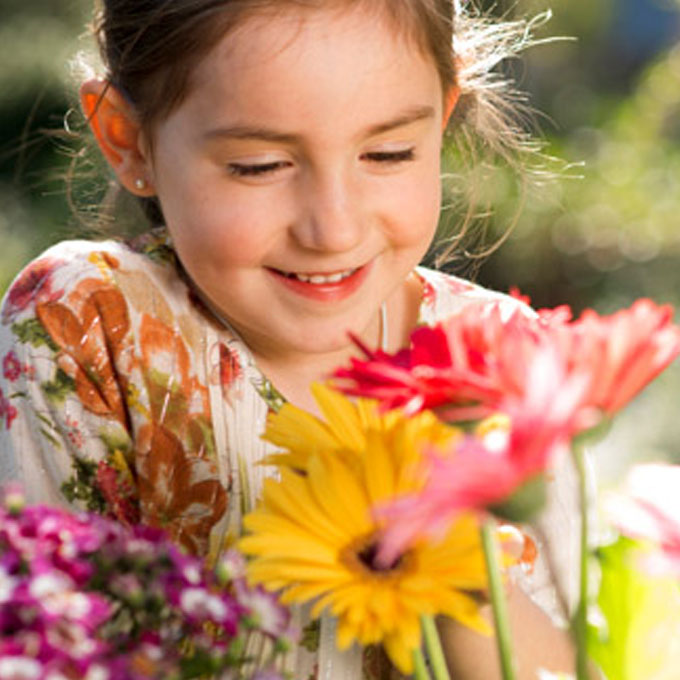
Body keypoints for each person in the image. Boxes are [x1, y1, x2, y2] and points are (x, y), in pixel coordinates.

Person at [0, 1, 581, 678]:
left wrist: (456, 554)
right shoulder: (92, 328)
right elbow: (42, 639)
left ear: (442, 116)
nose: (332, 228)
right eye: (259, 165)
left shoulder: (501, 361)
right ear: (129, 139)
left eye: (388, 153)